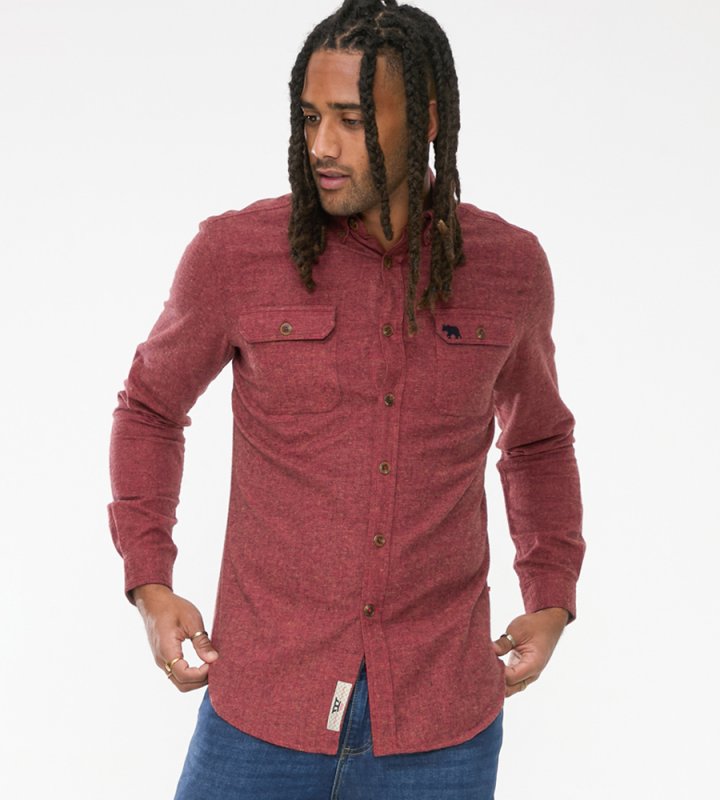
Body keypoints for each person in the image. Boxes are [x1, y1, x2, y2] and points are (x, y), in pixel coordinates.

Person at [108, 1, 585, 797]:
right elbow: (150, 409)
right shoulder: (234, 255)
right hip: (262, 708)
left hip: (441, 724)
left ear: (426, 118)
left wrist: (552, 594)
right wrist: (150, 582)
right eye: (310, 117)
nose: (322, 145)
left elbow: (537, 442)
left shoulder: (510, 268)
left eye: (352, 119)